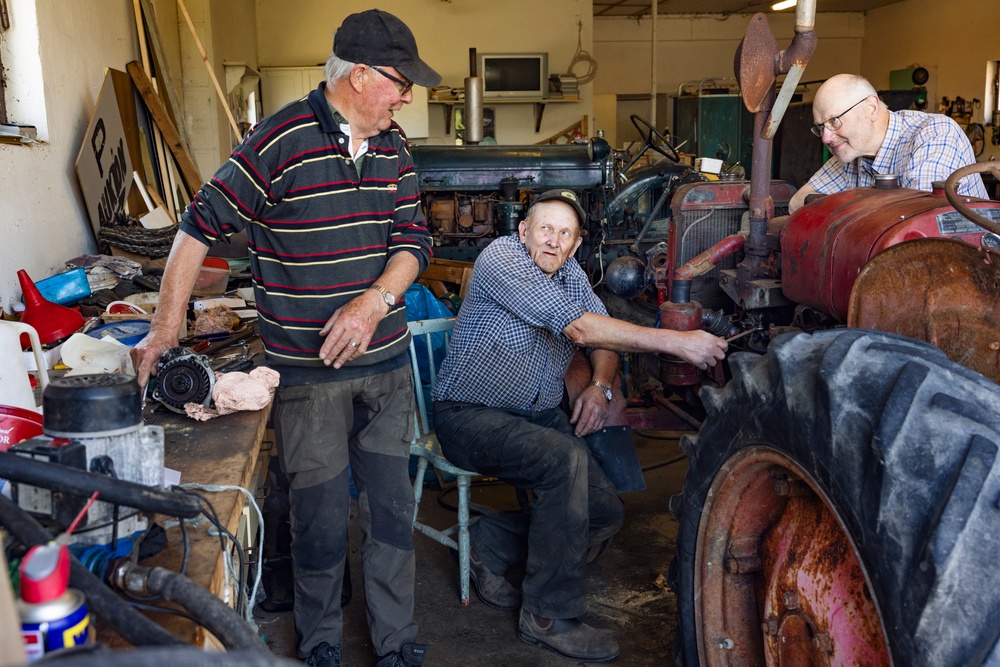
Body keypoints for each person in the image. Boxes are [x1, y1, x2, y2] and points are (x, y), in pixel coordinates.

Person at [130, 9, 439, 667]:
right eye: (401, 81)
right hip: (309, 376)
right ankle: (321, 640)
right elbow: (197, 227)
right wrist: (163, 328)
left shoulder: (395, 147)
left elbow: (413, 241)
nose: (409, 95)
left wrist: (374, 299)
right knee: (320, 518)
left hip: (386, 367)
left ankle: (397, 642)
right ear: (361, 75)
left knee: (389, 516)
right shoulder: (278, 141)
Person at [430, 190, 728, 663]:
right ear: (524, 230)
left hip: (536, 415)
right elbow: (581, 331)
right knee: (563, 460)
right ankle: (547, 616)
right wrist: (677, 343)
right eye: (545, 229)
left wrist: (600, 386)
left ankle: (485, 544)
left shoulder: (570, 275)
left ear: (576, 245)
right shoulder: (500, 258)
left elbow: (602, 333)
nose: (553, 241)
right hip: (470, 414)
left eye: (565, 234)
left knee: (603, 513)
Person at [789, 73, 988, 213]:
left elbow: (916, 222)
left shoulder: (934, 134)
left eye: (834, 121)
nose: (825, 138)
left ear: (871, 108)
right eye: (821, 127)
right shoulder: (852, 152)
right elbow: (797, 203)